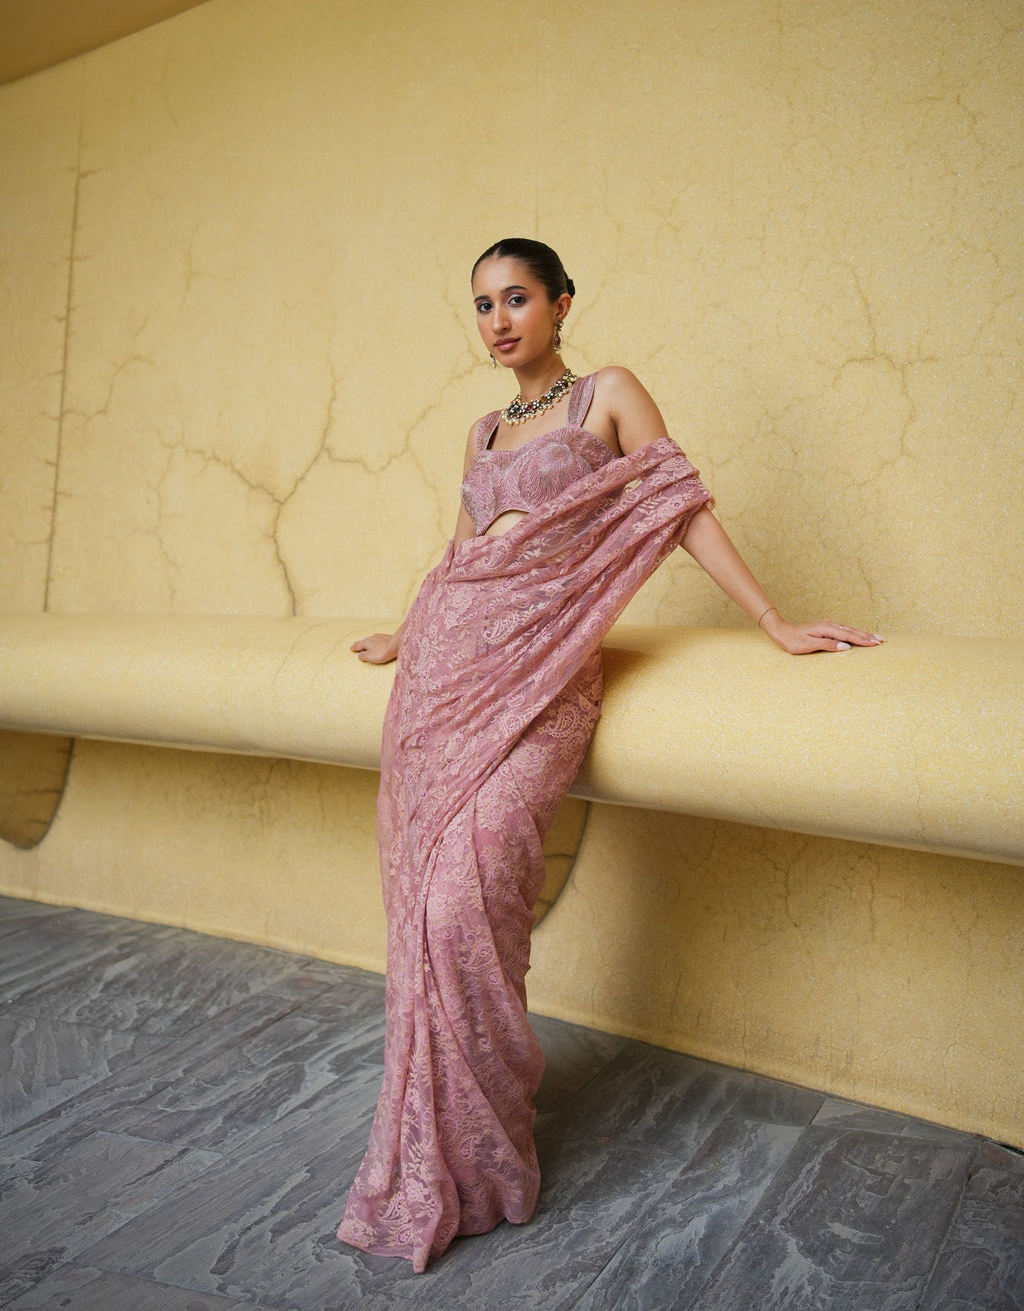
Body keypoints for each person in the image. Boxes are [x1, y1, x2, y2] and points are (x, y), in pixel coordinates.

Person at [336, 238, 882, 1273]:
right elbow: (463, 551)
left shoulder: (611, 396)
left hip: (542, 676)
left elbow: (680, 510)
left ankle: (488, 1155)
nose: (497, 320)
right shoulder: (483, 427)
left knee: (469, 903)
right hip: (443, 671)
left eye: (516, 299)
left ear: (560, 304)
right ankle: (434, 1160)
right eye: (482, 305)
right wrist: (401, 631)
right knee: (417, 911)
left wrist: (772, 621)